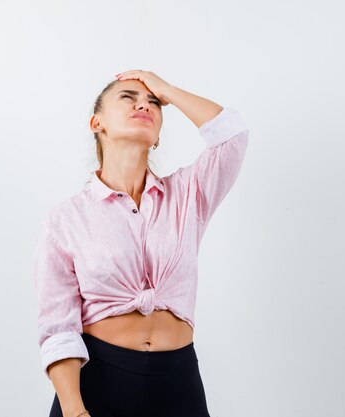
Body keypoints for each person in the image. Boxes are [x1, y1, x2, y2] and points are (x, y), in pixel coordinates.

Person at [32, 69, 249, 417]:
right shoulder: (65, 219)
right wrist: (74, 410)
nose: (143, 104)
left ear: (158, 137)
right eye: (127, 98)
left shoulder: (188, 195)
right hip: (96, 384)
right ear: (96, 123)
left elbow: (232, 135)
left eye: (152, 102)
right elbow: (59, 327)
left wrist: (167, 89)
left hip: (178, 384)